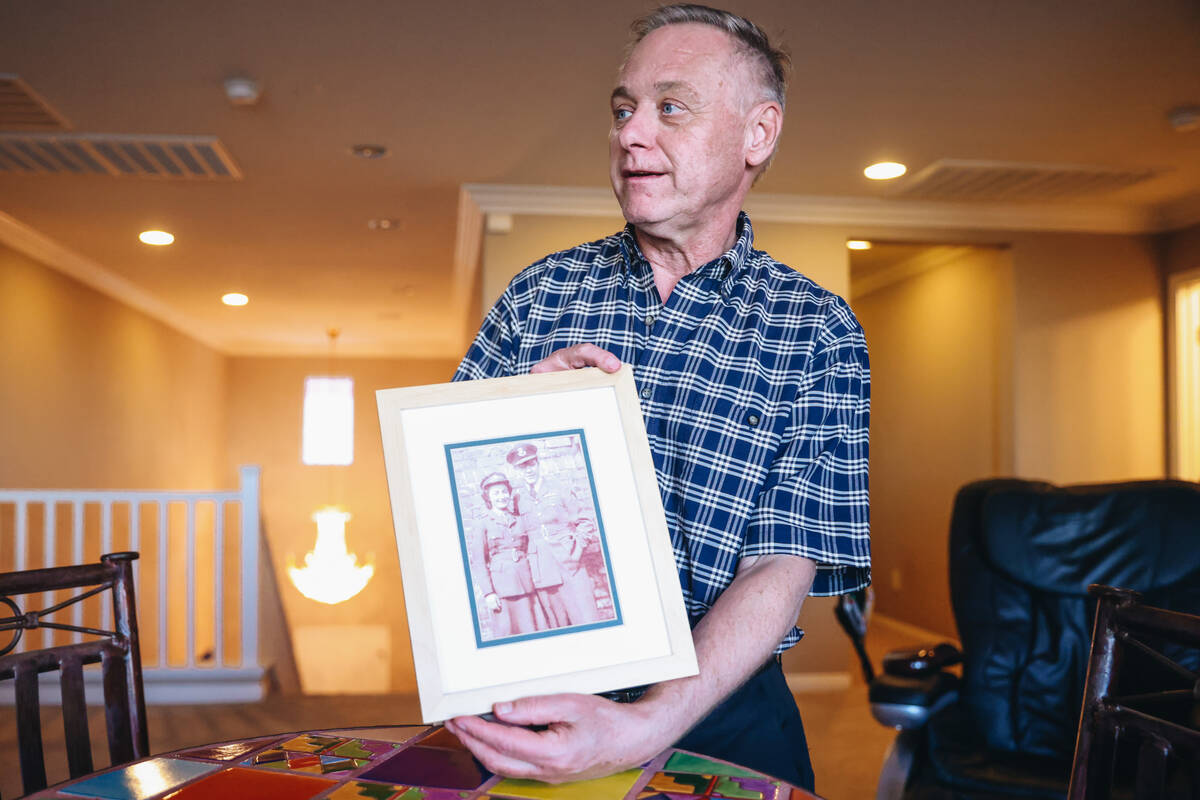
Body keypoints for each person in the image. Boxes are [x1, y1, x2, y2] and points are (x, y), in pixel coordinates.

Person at [446, 4, 870, 791]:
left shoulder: (819, 331)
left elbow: (782, 560)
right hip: (528, 706)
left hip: (727, 713)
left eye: (670, 107)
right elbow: (446, 526)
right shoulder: (536, 296)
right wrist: (509, 426)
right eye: (622, 109)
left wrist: (645, 724)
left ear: (758, 134)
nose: (632, 132)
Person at [507, 443, 601, 627]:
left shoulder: (560, 488)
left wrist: (576, 551)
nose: (528, 470)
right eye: (522, 467)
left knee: (586, 618)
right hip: (542, 569)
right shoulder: (518, 499)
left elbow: (585, 521)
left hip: (570, 564)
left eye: (531, 464)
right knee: (558, 623)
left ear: (538, 463)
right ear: (516, 471)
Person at [472, 472, 538, 637]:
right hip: (502, 589)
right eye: (496, 493)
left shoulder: (519, 519)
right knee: (508, 631)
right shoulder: (482, 523)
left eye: (504, 492)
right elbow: (479, 562)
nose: (501, 496)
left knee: (533, 628)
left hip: (527, 583)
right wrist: (489, 593)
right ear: (488, 497)